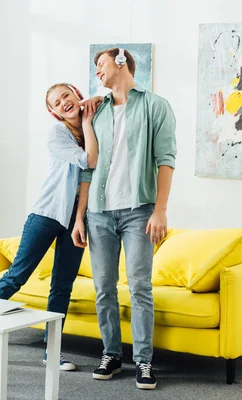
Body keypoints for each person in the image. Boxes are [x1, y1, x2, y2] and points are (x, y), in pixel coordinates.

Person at [0, 83, 101, 370]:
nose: (64, 103)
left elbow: (89, 172)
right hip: (46, 214)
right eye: (56, 102)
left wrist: (79, 218)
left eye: (67, 96)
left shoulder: (92, 128)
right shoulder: (58, 134)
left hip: (76, 218)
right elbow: (90, 159)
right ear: (53, 112)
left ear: (77, 95)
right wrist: (87, 119)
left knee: (62, 286)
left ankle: (52, 351)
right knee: (16, 276)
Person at [71, 48, 177, 390]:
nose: (97, 71)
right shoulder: (97, 110)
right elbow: (88, 166)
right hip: (99, 213)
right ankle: (111, 354)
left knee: (140, 286)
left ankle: (144, 361)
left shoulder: (155, 106)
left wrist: (160, 210)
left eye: (100, 64)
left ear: (120, 63)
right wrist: (79, 216)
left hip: (139, 211)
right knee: (103, 288)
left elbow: (166, 159)